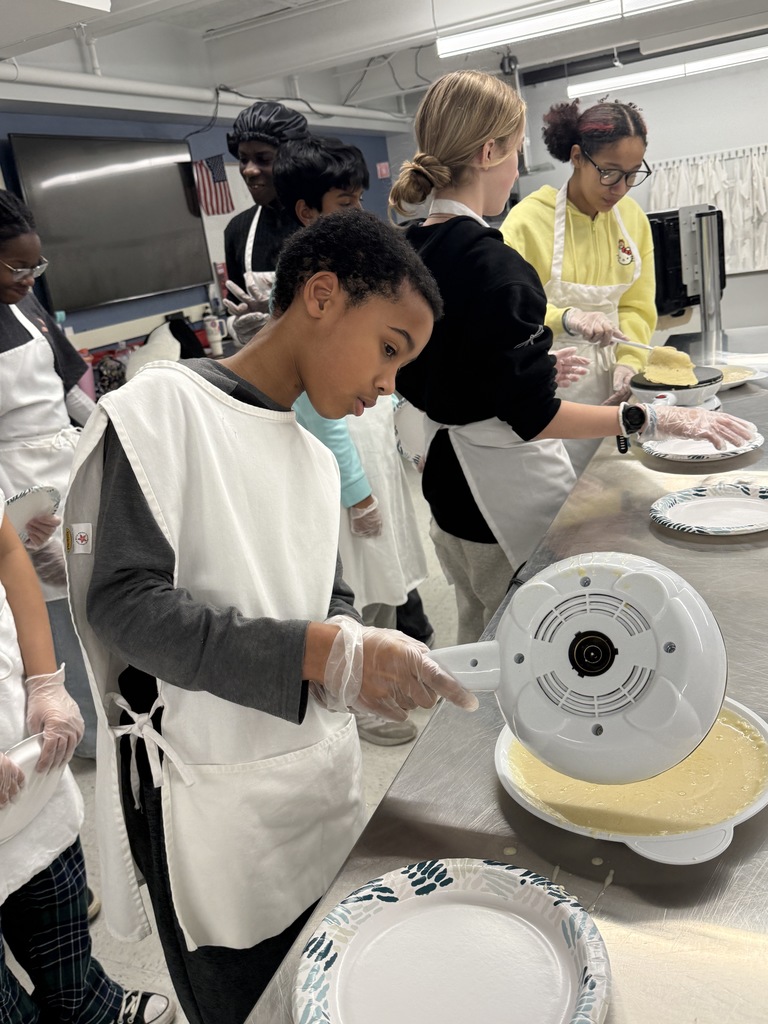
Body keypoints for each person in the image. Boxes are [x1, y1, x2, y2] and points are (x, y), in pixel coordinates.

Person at [64, 211, 478, 1024]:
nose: (389, 383)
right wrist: (318, 653)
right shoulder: (163, 412)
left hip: (309, 780)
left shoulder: (314, 459)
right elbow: (124, 602)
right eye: (390, 347)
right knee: (246, 994)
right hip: (204, 791)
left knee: (322, 974)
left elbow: (329, 597)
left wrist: (357, 645)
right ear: (321, 296)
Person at [389, 70, 755, 644]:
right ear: (490, 152)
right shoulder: (497, 260)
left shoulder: (410, 249)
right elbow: (534, 419)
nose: (516, 167)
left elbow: (427, 369)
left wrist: (523, 372)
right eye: (514, 152)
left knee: (476, 629)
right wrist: (654, 416)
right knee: (521, 640)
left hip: (444, 482)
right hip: (496, 491)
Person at [273, 136, 427, 746]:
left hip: (369, 450)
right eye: (344, 201)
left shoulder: (360, 282)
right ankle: (359, 698)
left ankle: (382, 683)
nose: (357, 212)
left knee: (387, 579)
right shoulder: (321, 297)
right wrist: (358, 490)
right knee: (355, 591)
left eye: (361, 199)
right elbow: (319, 410)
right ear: (308, 211)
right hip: (342, 470)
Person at [0, 496, 175, 1024]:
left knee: (52, 885)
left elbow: (7, 552)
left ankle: (85, 1006)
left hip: (18, 730)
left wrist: (44, 681)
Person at [501, 98, 657, 474]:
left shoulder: (631, 220)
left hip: (615, 388)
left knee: (615, 487)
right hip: (553, 394)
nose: (620, 188)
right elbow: (508, 314)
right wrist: (566, 317)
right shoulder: (528, 222)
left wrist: (629, 364)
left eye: (633, 174)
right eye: (609, 172)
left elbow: (637, 307)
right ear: (577, 156)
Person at [0, 190, 97, 758]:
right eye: (17, 266)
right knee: (54, 606)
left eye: (37, 264)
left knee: (90, 579)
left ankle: (117, 704)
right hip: (18, 487)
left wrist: (109, 432)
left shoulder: (27, 307)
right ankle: (75, 728)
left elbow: (68, 393)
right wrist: (15, 520)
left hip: (67, 472)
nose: (30, 277)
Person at [223, 100, 309, 326]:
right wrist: (241, 328)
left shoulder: (328, 221)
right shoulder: (237, 230)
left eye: (263, 159)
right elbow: (235, 307)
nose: (249, 170)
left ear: (293, 160)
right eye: (243, 159)